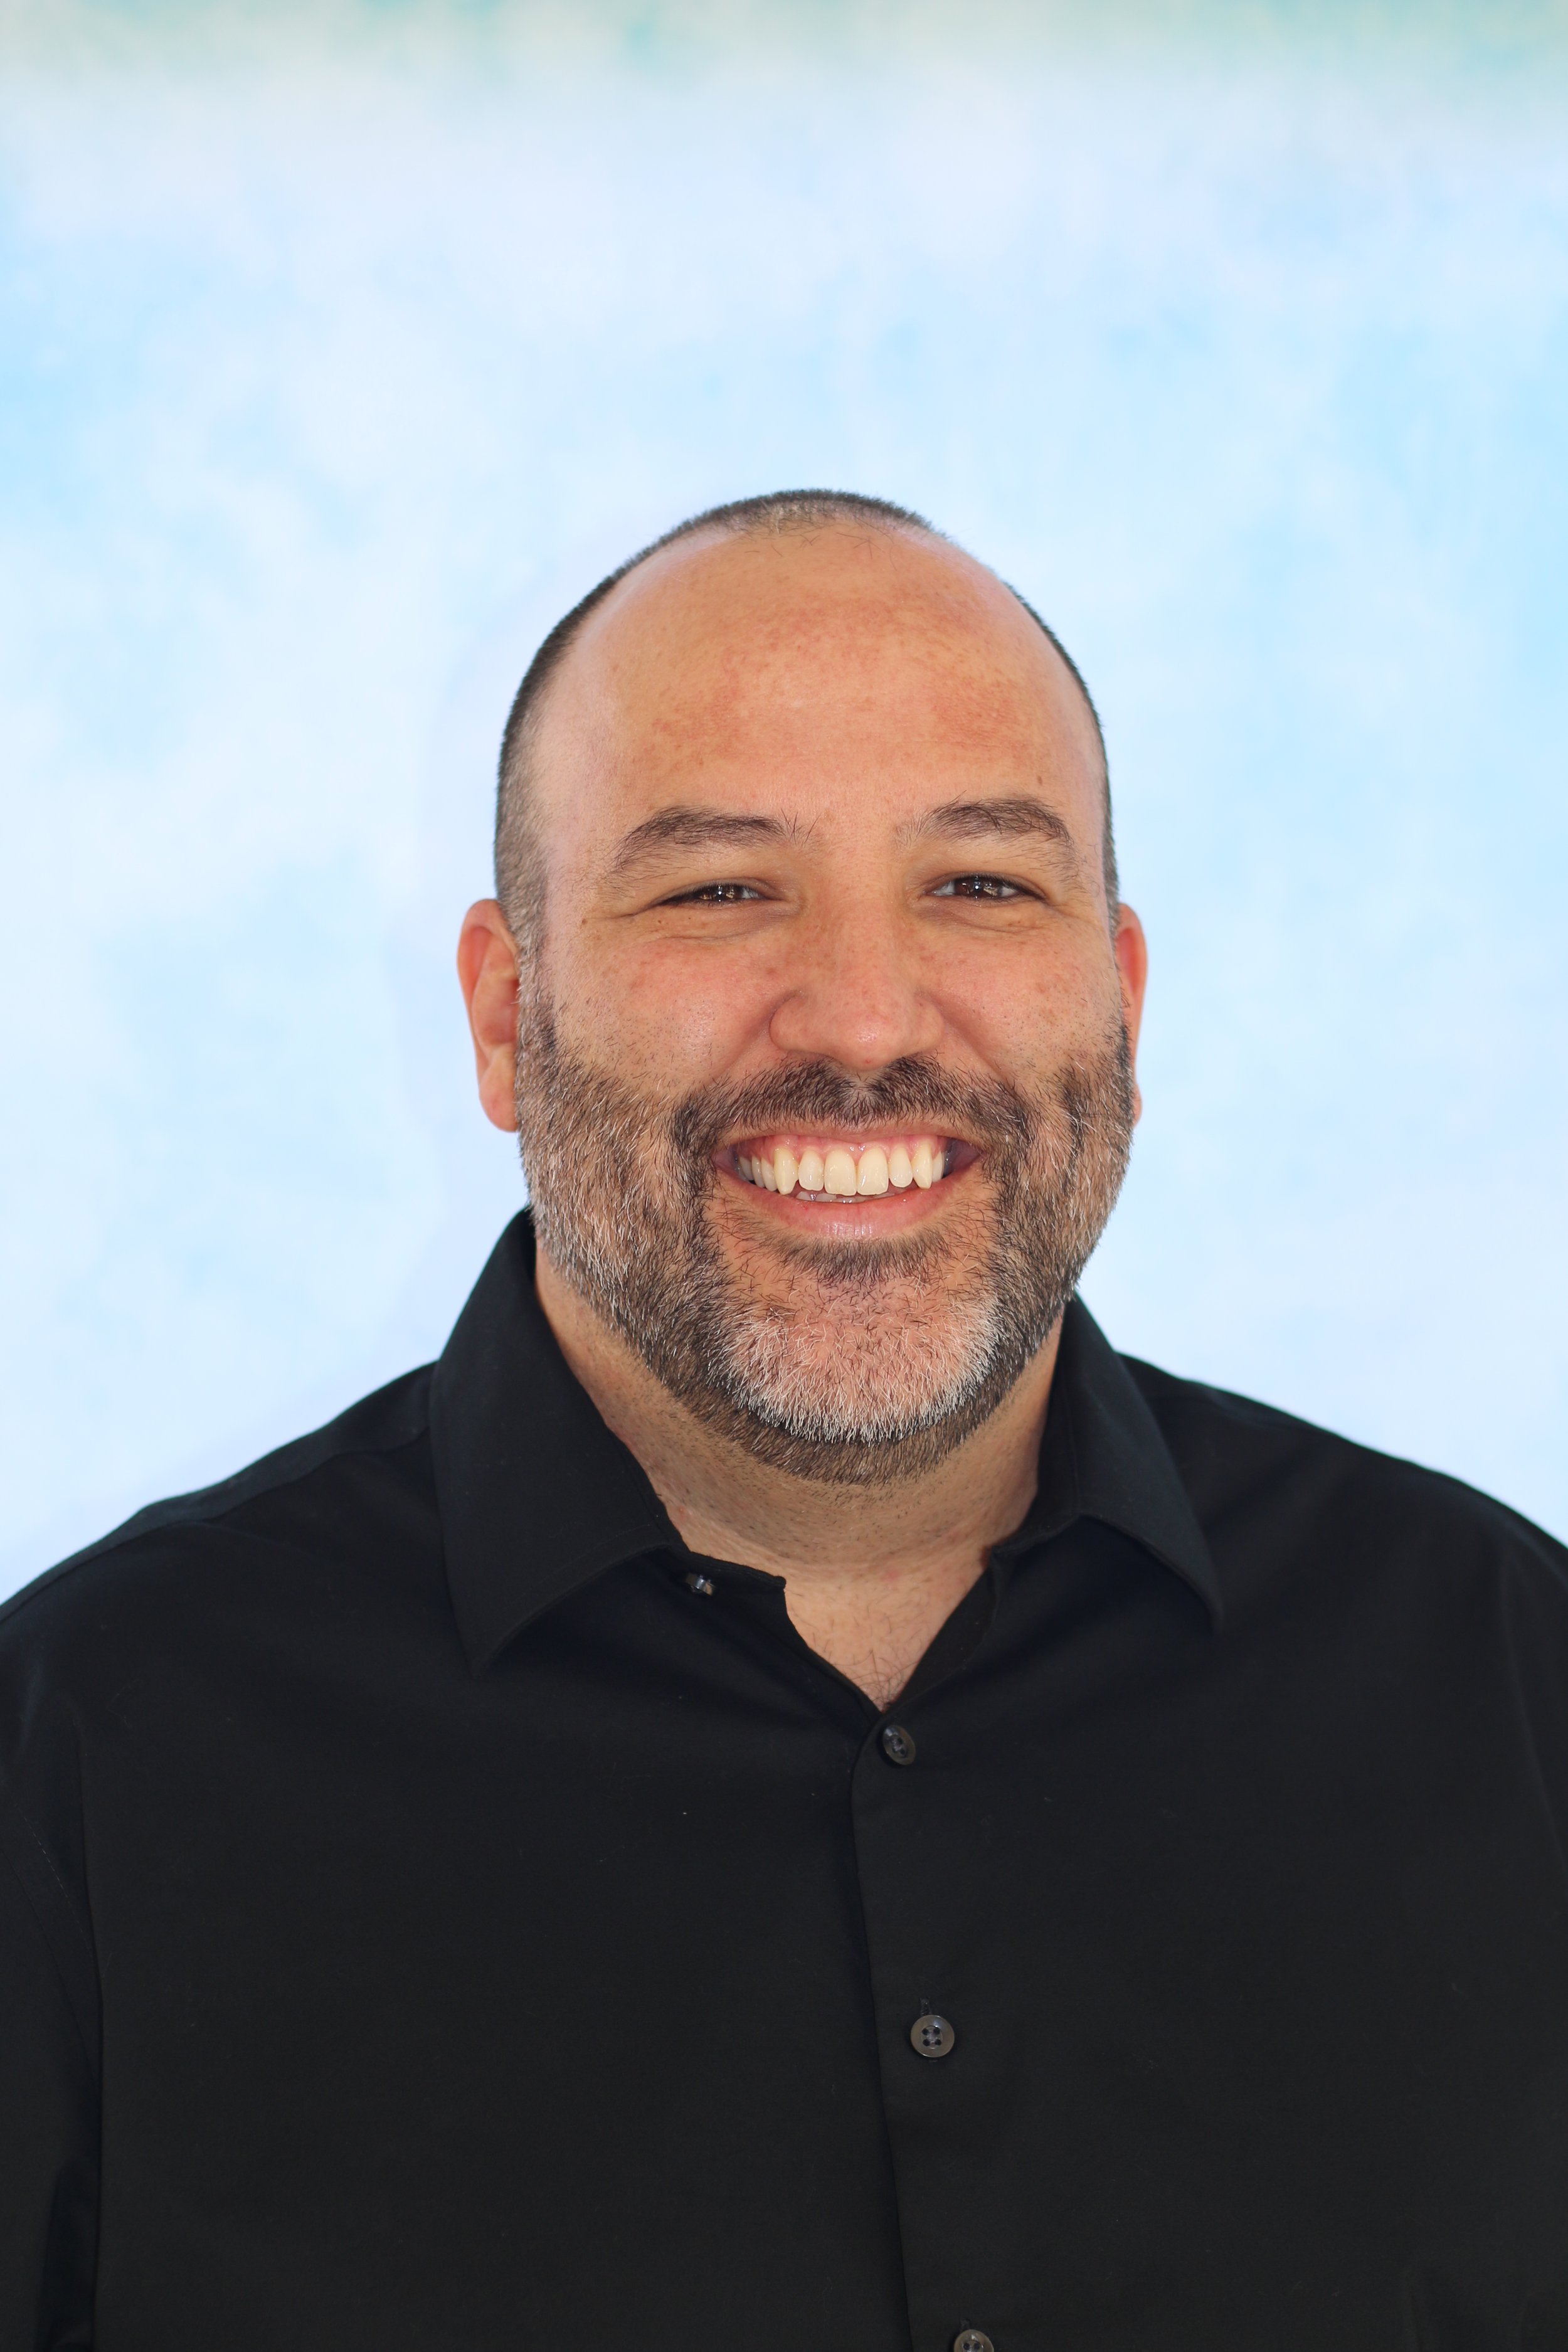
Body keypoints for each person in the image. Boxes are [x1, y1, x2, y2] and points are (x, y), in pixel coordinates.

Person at [3, 490, 1565, 2352]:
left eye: (979, 884)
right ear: (505, 1018)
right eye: (720, 889)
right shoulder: (79, 1765)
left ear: (1122, 1002)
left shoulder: (1510, 1681)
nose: (864, 1019)